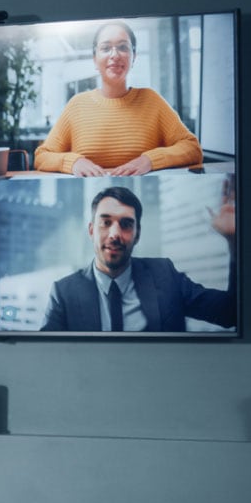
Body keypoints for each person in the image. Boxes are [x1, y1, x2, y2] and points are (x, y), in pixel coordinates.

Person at [39, 185, 236, 332]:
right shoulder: (64, 293)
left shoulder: (165, 275)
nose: (115, 234)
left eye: (126, 224)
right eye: (106, 222)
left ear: (137, 234)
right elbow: (46, 357)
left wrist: (234, 239)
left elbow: (230, 313)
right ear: (91, 231)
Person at [33, 21, 202, 177]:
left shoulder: (151, 100)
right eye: (106, 48)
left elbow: (192, 148)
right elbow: (42, 157)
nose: (115, 55)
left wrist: (150, 160)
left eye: (123, 47)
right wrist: (73, 162)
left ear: (133, 56)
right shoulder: (77, 105)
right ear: (94, 59)